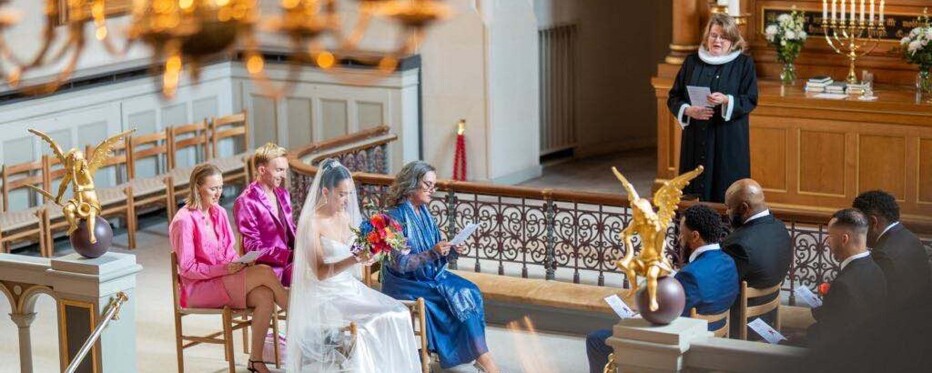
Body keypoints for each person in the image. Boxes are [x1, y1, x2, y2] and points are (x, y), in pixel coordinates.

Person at [286, 158, 422, 372]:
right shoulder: (312, 224)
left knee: (398, 312)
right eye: (341, 194)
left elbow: (357, 256)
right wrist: (355, 258)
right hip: (324, 297)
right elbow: (321, 272)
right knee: (369, 326)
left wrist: (372, 256)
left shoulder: (347, 217)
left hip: (348, 289)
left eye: (349, 194)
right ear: (325, 192)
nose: (347, 200)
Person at [586, 205, 738, 373]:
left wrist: (636, 316)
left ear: (695, 236)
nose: (680, 238)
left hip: (685, 344)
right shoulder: (728, 261)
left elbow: (665, 319)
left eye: (682, 233)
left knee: (597, 339)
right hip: (717, 335)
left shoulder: (689, 276)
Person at [380, 161, 500, 373]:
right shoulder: (394, 218)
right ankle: (485, 359)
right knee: (459, 294)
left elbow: (433, 251)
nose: (432, 191)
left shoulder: (424, 212)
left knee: (469, 290)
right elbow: (402, 264)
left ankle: (481, 355)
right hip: (405, 283)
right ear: (411, 184)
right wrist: (433, 252)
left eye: (434, 185)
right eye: (427, 185)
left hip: (428, 275)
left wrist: (451, 250)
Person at [170, 164, 289, 373]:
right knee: (265, 272)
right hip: (199, 288)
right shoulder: (184, 220)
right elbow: (187, 268)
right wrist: (226, 269)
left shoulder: (220, 213)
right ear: (198, 188)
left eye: (221, 187)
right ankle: (302, 323)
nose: (218, 193)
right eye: (213, 188)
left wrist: (240, 262)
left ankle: (255, 360)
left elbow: (228, 252)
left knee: (264, 295)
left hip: (224, 279)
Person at [667, 13, 759, 203]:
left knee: (726, 192)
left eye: (723, 37)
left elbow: (750, 99)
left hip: (728, 141)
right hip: (695, 139)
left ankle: (727, 233)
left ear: (732, 41)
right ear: (707, 37)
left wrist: (727, 100)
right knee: (692, 193)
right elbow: (674, 97)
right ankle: (689, 233)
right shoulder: (692, 62)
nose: (717, 40)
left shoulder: (743, 64)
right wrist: (688, 110)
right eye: (714, 35)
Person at [721, 179, 792, 337]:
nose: (726, 213)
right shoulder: (780, 228)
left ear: (744, 208)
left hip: (741, 325)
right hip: (770, 316)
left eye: (728, 207)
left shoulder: (737, 244)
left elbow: (720, 286)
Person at [852, 190, 932, 312]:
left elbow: (871, 303)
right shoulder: (909, 236)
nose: (857, 231)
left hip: (898, 325)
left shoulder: (882, 255)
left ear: (873, 222)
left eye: (858, 224)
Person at [234, 143, 297, 286]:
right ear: (262, 170)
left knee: (321, 264)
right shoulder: (246, 201)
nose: (284, 175)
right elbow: (252, 248)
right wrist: (288, 256)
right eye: (279, 170)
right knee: (311, 275)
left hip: (291, 260)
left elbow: (291, 230)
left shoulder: (283, 194)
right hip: (270, 268)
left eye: (285, 170)